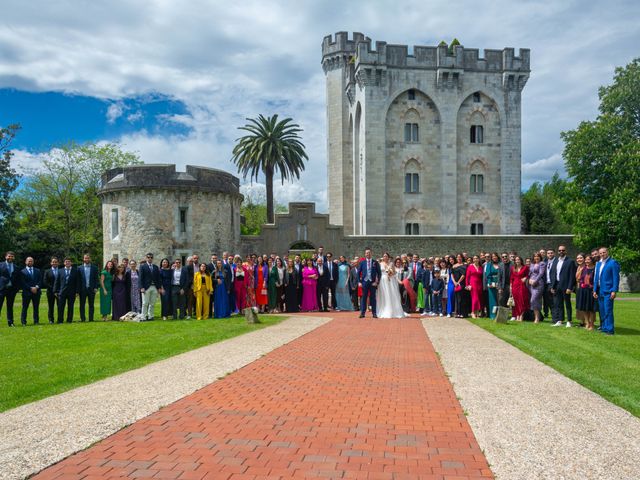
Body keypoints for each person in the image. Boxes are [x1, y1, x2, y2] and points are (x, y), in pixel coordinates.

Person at [593, 247, 620, 335]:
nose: (602, 254)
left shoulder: (613, 263)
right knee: (602, 310)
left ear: (607, 252)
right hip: (600, 291)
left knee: (608, 310)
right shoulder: (598, 264)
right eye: (600, 253)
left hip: (608, 291)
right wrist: (594, 290)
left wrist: (614, 290)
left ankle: (610, 329)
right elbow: (596, 278)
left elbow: (616, 278)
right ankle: (604, 327)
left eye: (604, 252)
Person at [550, 245, 577, 327]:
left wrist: (570, 287)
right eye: (560, 250)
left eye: (563, 250)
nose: (561, 252)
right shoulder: (556, 261)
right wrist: (553, 286)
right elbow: (554, 274)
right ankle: (560, 320)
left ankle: (569, 321)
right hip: (557, 285)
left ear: (565, 251)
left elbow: (572, 276)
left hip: (566, 286)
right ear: (558, 252)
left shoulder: (570, 261)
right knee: (559, 304)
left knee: (567, 303)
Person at [376, 252, 406, 318]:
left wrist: (390, 273)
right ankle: (383, 309)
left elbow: (395, 273)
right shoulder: (380, 264)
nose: (385, 257)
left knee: (390, 295)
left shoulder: (391, 264)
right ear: (383, 257)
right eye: (384, 256)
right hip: (382, 281)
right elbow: (378, 273)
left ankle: (392, 311)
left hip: (390, 281)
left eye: (386, 256)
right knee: (384, 295)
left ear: (388, 257)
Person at [54, 257, 81, 323]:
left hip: (72, 292)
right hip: (62, 292)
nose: (67, 263)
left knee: (70, 307)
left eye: (69, 261)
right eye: (66, 261)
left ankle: (69, 320)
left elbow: (78, 282)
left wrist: (77, 291)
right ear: (64, 263)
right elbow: (57, 281)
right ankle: (60, 320)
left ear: (71, 263)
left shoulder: (76, 271)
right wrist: (55, 291)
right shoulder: (60, 271)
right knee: (60, 307)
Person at [139, 253, 164, 321]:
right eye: (148, 257)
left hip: (154, 287)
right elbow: (140, 278)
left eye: (151, 257)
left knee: (152, 303)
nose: (150, 258)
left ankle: (151, 316)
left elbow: (158, 278)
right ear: (146, 258)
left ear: (152, 258)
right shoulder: (142, 266)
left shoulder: (155, 267)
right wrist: (141, 287)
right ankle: (143, 316)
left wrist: (159, 288)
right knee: (145, 303)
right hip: (146, 287)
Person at [357, 248, 380, 318]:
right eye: (366, 253)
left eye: (369, 253)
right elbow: (358, 273)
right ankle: (362, 313)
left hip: (372, 283)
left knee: (373, 298)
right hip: (364, 282)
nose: (368, 254)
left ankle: (374, 313)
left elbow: (379, 273)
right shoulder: (362, 262)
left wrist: (377, 282)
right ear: (365, 254)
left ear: (371, 253)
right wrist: (359, 282)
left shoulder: (375, 262)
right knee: (364, 298)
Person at [19, 256, 42, 326]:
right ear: (26, 262)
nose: (30, 262)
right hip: (27, 292)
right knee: (25, 308)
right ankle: (23, 322)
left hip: (36, 292)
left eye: (31, 261)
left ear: (33, 262)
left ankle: (36, 321)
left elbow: (40, 281)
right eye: (28, 261)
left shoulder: (38, 271)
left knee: (36, 308)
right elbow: (22, 282)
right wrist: (30, 288)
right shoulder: (22, 272)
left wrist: (36, 287)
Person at [0, 251, 20, 327]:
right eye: (9, 256)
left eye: (12, 256)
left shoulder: (16, 267)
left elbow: (18, 279)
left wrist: (16, 289)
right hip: (1, 289)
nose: (10, 258)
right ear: (5, 257)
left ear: (14, 257)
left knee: (10, 306)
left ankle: (10, 322)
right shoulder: (0, 265)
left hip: (11, 290)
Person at [576, 254, 596, 330]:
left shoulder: (595, 269)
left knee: (591, 309)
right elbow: (578, 278)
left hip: (591, 291)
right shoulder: (583, 268)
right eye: (586, 260)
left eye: (589, 260)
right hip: (583, 290)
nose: (587, 261)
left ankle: (592, 324)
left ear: (592, 260)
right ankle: (587, 323)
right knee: (584, 308)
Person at [78, 254, 99, 322]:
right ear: (83, 259)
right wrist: (78, 290)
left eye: (88, 258)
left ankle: (91, 319)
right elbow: (77, 280)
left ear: (90, 259)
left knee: (91, 305)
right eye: (85, 258)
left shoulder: (94, 268)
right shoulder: (79, 268)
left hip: (91, 289)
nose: (87, 259)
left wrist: (96, 287)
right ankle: (82, 319)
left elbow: (96, 279)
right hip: (82, 289)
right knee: (82, 305)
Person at [510, 256, 530, 321]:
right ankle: (517, 315)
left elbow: (529, 274)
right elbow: (511, 278)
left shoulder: (525, 267)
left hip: (522, 285)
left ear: (521, 260)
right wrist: (510, 286)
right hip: (514, 286)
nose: (517, 261)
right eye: (516, 260)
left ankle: (521, 315)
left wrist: (526, 277)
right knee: (516, 301)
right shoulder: (513, 268)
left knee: (522, 300)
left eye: (518, 259)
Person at [528, 252, 546, 323]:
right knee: (536, 301)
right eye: (535, 256)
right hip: (531, 284)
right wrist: (529, 279)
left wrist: (535, 281)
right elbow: (530, 273)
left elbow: (541, 274)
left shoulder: (542, 264)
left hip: (538, 284)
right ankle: (538, 317)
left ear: (540, 257)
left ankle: (537, 318)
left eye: (538, 256)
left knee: (533, 300)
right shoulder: (532, 264)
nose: (536, 257)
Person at [42, 257, 60, 324]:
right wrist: (53, 289)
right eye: (53, 262)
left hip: (59, 292)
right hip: (50, 292)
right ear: (51, 263)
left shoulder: (61, 271)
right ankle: (51, 320)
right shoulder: (47, 271)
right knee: (51, 306)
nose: (54, 263)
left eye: (56, 262)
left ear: (58, 263)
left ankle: (59, 319)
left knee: (60, 306)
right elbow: (45, 281)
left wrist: (57, 290)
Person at [484, 253, 500, 319]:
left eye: (495, 256)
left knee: (500, 299)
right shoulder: (489, 265)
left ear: (497, 257)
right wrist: (490, 283)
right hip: (492, 284)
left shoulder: (501, 264)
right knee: (492, 300)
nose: (494, 257)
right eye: (493, 256)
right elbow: (488, 275)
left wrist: (499, 283)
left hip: (500, 282)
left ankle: (500, 314)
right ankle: (493, 315)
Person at [543, 249, 555, 319]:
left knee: (553, 301)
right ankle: (546, 313)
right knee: (546, 300)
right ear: (546, 254)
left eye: (551, 253)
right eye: (548, 253)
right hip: (546, 284)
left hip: (552, 283)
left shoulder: (556, 262)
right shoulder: (545, 262)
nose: (550, 254)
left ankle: (554, 315)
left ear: (554, 254)